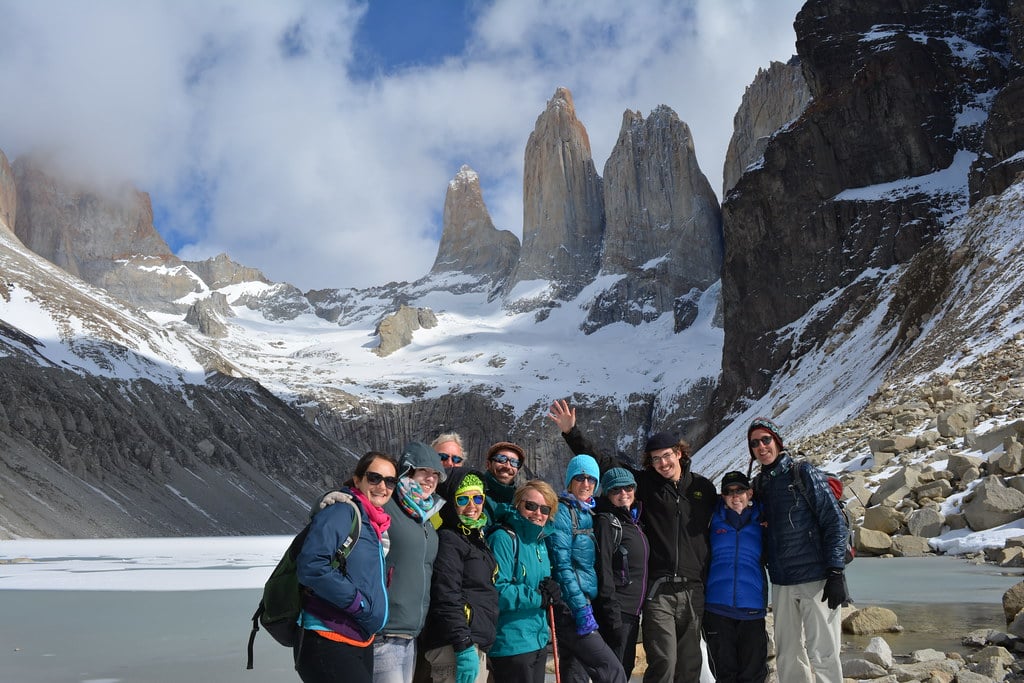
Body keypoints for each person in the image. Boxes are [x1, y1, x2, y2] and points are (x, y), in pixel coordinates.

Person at [548, 399, 716, 683]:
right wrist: (571, 433)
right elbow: (605, 464)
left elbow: (720, 520)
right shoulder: (646, 486)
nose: (662, 463)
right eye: (655, 459)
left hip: (694, 589)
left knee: (690, 664)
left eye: (667, 455)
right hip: (659, 589)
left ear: (679, 453)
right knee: (663, 661)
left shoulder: (703, 488)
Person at [318, 441, 447, 683]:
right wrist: (333, 498)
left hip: (410, 633)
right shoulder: (388, 505)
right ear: (407, 472)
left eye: (435, 475)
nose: (430, 479)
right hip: (384, 631)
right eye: (423, 472)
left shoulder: (426, 518)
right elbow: (358, 501)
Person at [747, 417, 849, 683]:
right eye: (755, 443)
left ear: (777, 442)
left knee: (824, 652)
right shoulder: (760, 484)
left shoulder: (803, 472)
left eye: (765, 439)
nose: (761, 446)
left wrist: (836, 572)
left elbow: (833, 521)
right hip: (781, 580)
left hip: (817, 578)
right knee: (787, 654)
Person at [294, 451, 397, 683]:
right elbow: (312, 566)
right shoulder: (342, 511)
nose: (382, 486)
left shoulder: (373, 523)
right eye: (374, 478)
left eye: (390, 481)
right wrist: (358, 604)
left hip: (357, 637)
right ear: (357, 479)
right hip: (328, 637)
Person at [547, 454, 628, 683]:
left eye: (592, 479)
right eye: (580, 478)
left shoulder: (584, 512)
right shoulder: (563, 512)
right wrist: (581, 608)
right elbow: (562, 566)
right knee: (612, 670)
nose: (586, 484)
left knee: (575, 673)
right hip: (571, 608)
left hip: (579, 605)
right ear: (569, 481)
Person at [419, 469, 499, 683]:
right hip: (455, 647)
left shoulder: (474, 538)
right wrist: (462, 645)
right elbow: (445, 594)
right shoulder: (449, 539)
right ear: (451, 503)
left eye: (478, 498)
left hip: (471, 642)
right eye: (463, 498)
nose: (472, 506)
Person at [486, 479, 560, 683]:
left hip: (537, 639)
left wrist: (552, 591)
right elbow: (497, 590)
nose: (538, 514)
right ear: (518, 504)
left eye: (545, 509)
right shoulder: (503, 538)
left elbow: (542, 587)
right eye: (531, 506)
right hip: (512, 643)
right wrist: (538, 598)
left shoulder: (539, 542)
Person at [703, 471, 768, 683]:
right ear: (723, 496)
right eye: (729, 492)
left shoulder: (764, 520)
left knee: (753, 674)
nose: (735, 496)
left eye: (739, 490)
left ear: (749, 493)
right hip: (717, 608)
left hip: (752, 608)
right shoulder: (712, 519)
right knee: (724, 673)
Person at [592, 467, 649, 680]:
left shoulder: (634, 522)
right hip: (617, 612)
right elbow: (603, 570)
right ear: (607, 493)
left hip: (631, 613)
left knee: (622, 670)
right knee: (614, 673)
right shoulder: (607, 522)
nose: (623, 493)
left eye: (628, 487)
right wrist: (612, 614)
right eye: (616, 489)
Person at [481, 441, 526, 526]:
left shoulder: (521, 500)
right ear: (488, 464)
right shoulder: (475, 493)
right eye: (501, 459)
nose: (508, 466)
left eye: (514, 462)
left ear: (517, 470)